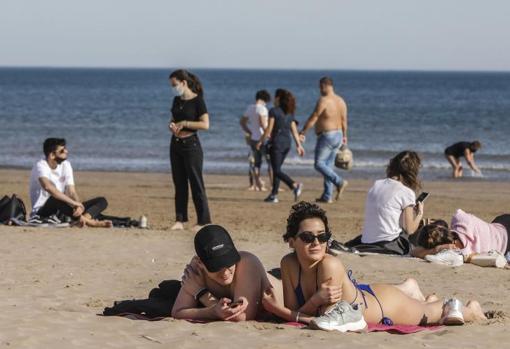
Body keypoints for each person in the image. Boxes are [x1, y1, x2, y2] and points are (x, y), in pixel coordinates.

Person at [261, 202, 487, 330]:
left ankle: (471, 309)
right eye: (308, 237)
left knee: (435, 313)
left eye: (323, 236)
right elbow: (297, 313)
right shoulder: (288, 263)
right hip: (365, 294)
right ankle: (410, 289)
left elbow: (326, 322)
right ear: (291, 241)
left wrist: (282, 309)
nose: (317, 243)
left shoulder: (329, 265)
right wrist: (309, 303)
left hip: (382, 308)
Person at [171, 224, 283, 321]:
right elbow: (177, 312)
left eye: (229, 262)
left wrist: (202, 294)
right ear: (201, 263)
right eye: (217, 266)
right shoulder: (196, 268)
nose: (225, 273)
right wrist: (211, 311)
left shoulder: (247, 263)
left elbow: (240, 317)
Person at [344, 151, 424, 255]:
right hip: (387, 244)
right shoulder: (406, 192)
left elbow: (387, 215)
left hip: (367, 240)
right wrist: (419, 214)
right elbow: (410, 230)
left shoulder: (377, 184)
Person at [29, 138, 112, 227]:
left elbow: (71, 192)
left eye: (65, 148)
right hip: (43, 211)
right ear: (52, 155)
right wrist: (73, 203)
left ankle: (84, 219)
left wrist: (78, 206)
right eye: (62, 151)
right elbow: (48, 187)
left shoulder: (66, 165)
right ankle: (91, 222)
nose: (66, 151)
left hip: (62, 210)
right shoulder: (41, 165)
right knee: (56, 198)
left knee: (102, 201)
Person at [168, 69, 212, 232]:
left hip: (191, 145)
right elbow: (173, 120)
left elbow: (205, 124)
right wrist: (172, 126)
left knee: (196, 183)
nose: (173, 88)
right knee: (179, 183)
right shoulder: (176, 100)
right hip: (175, 144)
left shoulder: (198, 101)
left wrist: (185, 123)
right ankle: (180, 219)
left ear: (183, 83)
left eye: (174, 84)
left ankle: (203, 220)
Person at [299, 77, 348, 203]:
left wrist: (303, 131)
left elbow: (314, 116)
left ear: (326, 86)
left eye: (320, 87)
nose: (319, 90)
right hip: (338, 135)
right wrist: (344, 137)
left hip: (327, 136)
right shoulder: (341, 101)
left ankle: (339, 182)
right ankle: (327, 195)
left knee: (319, 164)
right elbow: (344, 121)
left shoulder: (324, 100)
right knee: (328, 166)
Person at [257, 89, 304, 203]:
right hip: (287, 144)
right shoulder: (289, 112)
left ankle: (294, 185)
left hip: (277, 144)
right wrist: (299, 145)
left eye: (275, 97)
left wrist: (260, 141)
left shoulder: (273, 111)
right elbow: (294, 130)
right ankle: (273, 195)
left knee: (276, 170)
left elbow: (269, 129)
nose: (273, 99)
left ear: (278, 98)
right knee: (277, 168)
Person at [413, 210, 510, 258]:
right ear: (441, 228)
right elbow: (413, 252)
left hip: (505, 248)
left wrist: (436, 250)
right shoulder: (459, 218)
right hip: (503, 226)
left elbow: (414, 252)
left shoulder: (462, 254)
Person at [239, 90, 272, 191]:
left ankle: (258, 184)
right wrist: (269, 133)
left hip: (253, 138)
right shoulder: (262, 109)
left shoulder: (250, 108)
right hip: (263, 138)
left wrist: (249, 131)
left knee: (257, 163)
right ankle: (273, 185)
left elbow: (242, 122)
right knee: (270, 162)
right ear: (264, 99)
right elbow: (263, 123)